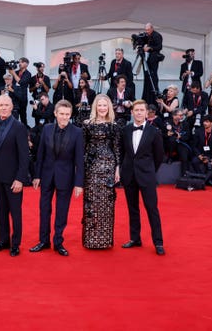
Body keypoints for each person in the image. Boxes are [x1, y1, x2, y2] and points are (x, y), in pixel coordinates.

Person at [31, 99, 84, 256]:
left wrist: (79, 183)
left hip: (66, 178)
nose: (64, 117)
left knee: (62, 211)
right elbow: (40, 154)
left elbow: (79, 160)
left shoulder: (77, 132)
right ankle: (43, 241)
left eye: (67, 114)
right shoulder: (46, 129)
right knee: (44, 209)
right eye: (61, 114)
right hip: (47, 176)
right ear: (55, 113)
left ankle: (58, 242)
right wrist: (37, 176)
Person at [120, 100, 165, 256]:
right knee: (132, 209)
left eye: (141, 110)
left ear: (147, 113)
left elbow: (159, 156)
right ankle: (135, 238)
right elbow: (122, 152)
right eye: (136, 110)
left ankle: (158, 242)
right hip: (129, 176)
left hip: (147, 176)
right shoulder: (125, 130)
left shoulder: (155, 132)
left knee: (152, 209)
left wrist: (150, 170)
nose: (138, 113)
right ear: (132, 112)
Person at [0, 94, 29, 257]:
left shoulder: (19, 127)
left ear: (12, 107)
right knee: (1, 212)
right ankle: (3, 240)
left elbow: (24, 155)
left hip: (14, 179)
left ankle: (16, 243)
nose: (4, 107)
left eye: (6, 105)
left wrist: (20, 178)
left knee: (15, 213)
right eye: (1, 105)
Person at [82, 94, 120, 249]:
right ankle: (90, 239)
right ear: (95, 107)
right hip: (91, 166)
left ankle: (104, 240)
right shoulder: (87, 124)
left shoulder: (114, 125)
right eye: (100, 105)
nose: (102, 108)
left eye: (105, 105)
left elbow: (117, 149)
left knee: (107, 203)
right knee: (91, 203)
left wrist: (117, 169)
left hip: (109, 166)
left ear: (109, 107)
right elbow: (83, 147)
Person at [162, 109, 192, 176]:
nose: (182, 117)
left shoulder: (185, 123)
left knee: (184, 156)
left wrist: (180, 137)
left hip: (181, 142)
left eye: (182, 115)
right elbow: (161, 134)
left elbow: (188, 136)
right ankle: (170, 157)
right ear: (174, 116)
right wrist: (167, 134)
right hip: (170, 144)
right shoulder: (167, 123)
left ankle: (184, 175)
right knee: (172, 140)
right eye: (180, 115)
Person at [141, 23, 163, 105]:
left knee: (153, 74)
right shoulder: (147, 35)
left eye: (148, 30)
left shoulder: (157, 35)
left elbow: (159, 47)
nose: (147, 31)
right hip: (147, 57)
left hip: (154, 58)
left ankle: (154, 91)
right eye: (146, 30)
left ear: (152, 28)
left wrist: (150, 48)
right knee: (147, 75)